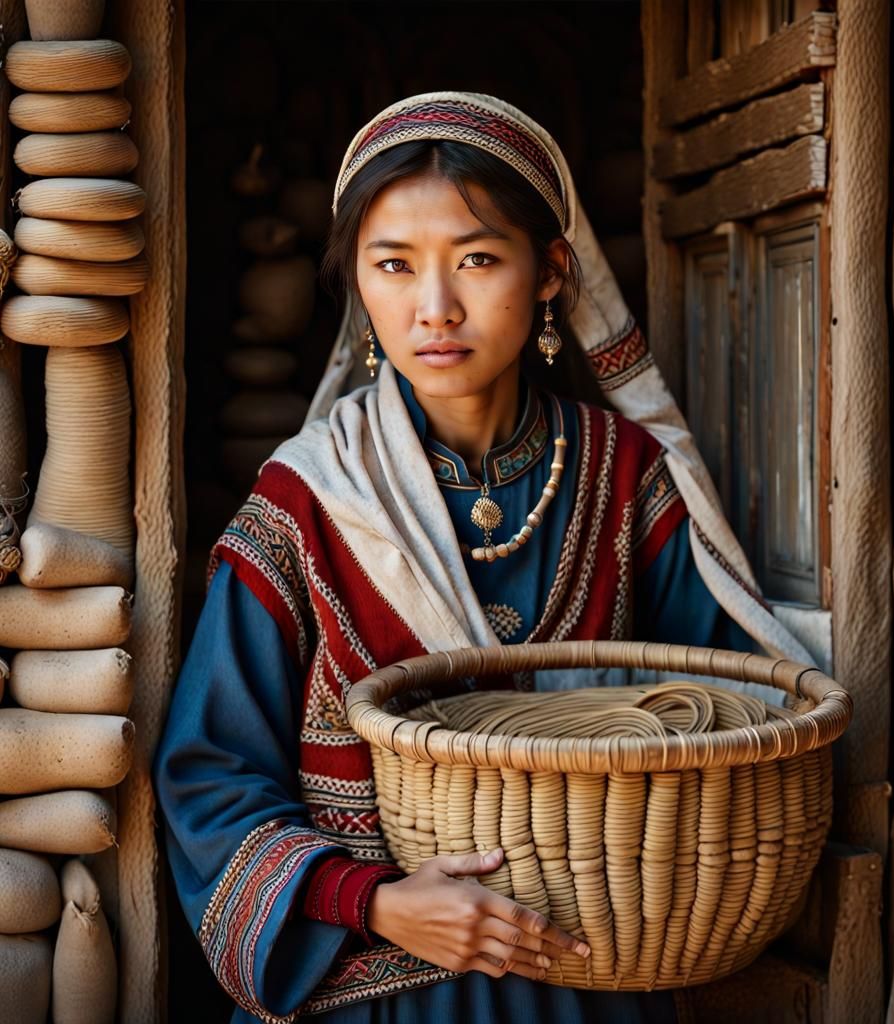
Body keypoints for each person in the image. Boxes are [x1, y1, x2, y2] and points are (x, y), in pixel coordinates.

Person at [155, 92, 808, 1024]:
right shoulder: (305, 503)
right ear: (357, 288)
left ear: (548, 274)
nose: (435, 307)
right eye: (393, 266)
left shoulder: (626, 480)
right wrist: (375, 901)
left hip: (589, 977)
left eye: (477, 259)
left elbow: (730, 716)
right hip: (369, 984)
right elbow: (209, 769)